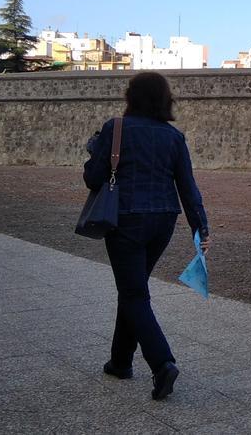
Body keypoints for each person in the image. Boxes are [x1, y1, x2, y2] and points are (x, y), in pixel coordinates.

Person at [84, 71, 210, 400]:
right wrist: (201, 228)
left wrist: (93, 152)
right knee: (133, 288)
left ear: (132, 96)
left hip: (125, 218)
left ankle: (162, 363)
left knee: (134, 293)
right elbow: (188, 187)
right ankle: (120, 361)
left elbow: (93, 178)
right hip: (163, 221)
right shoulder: (174, 137)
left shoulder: (116, 129)